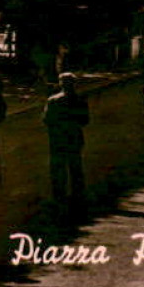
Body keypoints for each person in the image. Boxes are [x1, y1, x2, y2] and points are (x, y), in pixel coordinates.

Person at [43, 73, 90, 217]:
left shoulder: (53, 101)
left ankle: (59, 196)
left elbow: (46, 120)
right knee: (75, 167)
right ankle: (78, 195)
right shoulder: (80, 100)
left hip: (58, 139)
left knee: (58, 168)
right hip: (74, 137)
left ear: (61, 84)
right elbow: (85, 120)